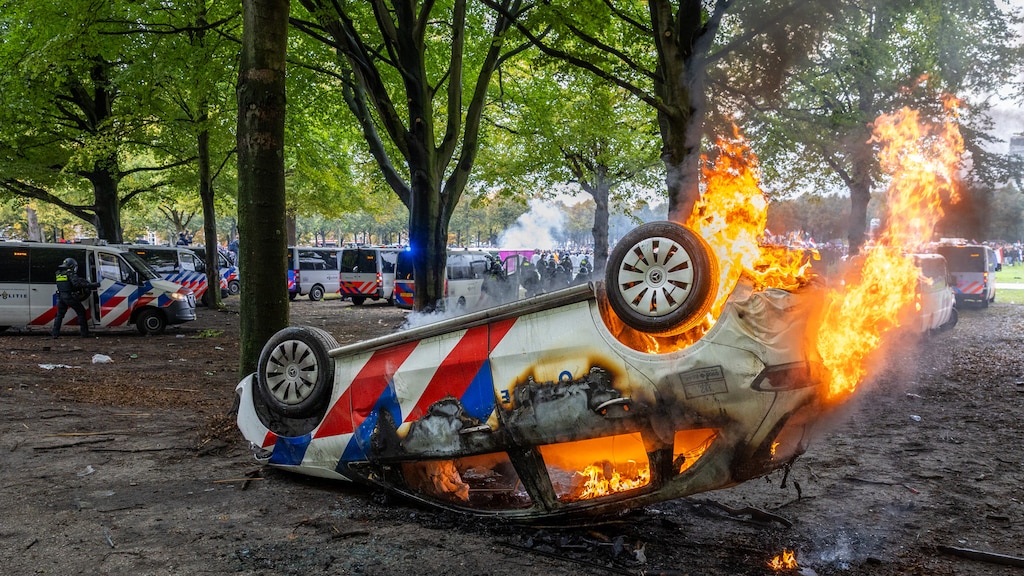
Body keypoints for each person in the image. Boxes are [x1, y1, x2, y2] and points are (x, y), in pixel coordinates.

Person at [51, 258, 101, 339]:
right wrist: (93, 285)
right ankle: (84, 334)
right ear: (71, 266)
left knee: (59, 315)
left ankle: (55, 333)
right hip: (69, 297)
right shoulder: (70, 273)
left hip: (60, 297)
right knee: (81, 312)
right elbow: (77, 284)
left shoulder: (58, 274)